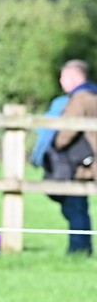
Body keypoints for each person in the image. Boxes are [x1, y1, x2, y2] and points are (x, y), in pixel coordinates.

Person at [44, 59, 97, 255]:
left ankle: (79, 249)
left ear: (73, 77)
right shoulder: (93, 95)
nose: (61, 82)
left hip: (83, 165)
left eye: (63, 77)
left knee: (75, 207)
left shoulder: (80, 99)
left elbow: (67, 130)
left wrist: (55, 144)